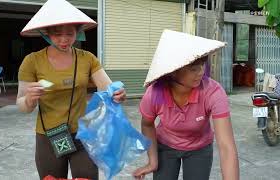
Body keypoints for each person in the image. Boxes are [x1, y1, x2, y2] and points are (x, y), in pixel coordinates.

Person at [16, 0, 126, 179]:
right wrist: (29, 99)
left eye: (70, 33)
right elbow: (22, 105)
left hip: (83, 134)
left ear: (78, 32)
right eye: (57, 34)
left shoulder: (87, 59)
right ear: (47, 33)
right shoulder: (32, 61)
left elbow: (108, 87)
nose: (64, 39)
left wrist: (117, 93)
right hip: (48, 136)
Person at [133, 30, 239, 180]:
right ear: (173, 71)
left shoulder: (213, 92)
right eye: (193, 68)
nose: (201, 72)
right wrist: (153, 161)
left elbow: (226, 147)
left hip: (199, 148)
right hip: (166, 145)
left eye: (202, 65)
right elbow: (147, 125)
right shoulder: (154, 94)